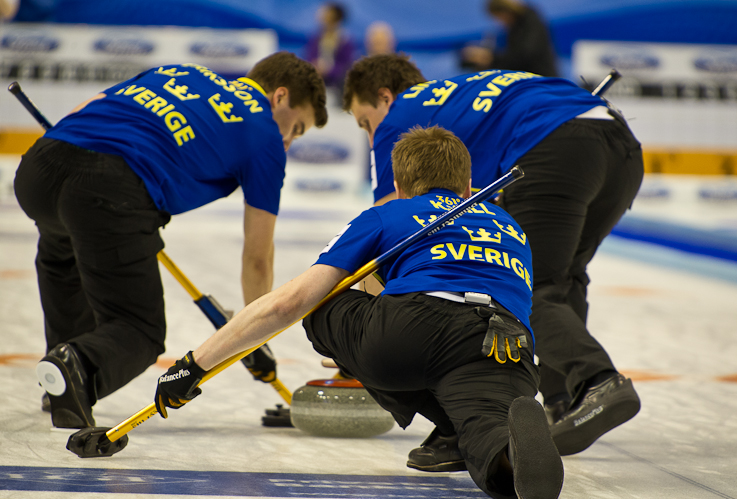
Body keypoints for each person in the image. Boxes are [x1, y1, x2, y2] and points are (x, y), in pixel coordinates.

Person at [154, 126, 564, 499]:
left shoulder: (391, 214)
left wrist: (195, 365)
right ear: (469, 184)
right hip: (505, 342)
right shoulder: (509, 226)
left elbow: (290, 301)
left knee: (325, 302)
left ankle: (403, 389)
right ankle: (507, 454)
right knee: (487, 431)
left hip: (411, 331)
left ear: (400, 186)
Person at [342, 54, 643, 459]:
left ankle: (597, 382)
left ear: (383, 96)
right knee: (563, 277)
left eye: (365, 122)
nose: (369, 133)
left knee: (527, 285)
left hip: (553, 144)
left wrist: (374, 335)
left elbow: (390, 236)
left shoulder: (400, 118)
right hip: (620, 148)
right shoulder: (459, 100)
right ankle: (561, 401)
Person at [14, 52, 327, 429]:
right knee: (139, 330)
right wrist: (255, 338)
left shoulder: (178, 72)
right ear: (279, 97)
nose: (290, 140)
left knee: (64, 260)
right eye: (297, 126)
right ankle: (77, 364)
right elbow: (257, 258)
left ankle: (61, 385)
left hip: (40, 167)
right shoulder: (264, 137)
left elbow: (88, 107)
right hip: (108, 187)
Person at [461, 0, 558, 77]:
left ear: (504, 11)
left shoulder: (530, 21)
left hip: (542, 79)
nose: (500, 22)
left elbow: (524, 55)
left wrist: (489, 58)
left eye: (499, 17)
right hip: (530, 80)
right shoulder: (513, 27)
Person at [304, 2, 356, 100]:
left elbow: (346, 67)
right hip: (312, 85)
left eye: (326, 15)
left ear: (335, 18)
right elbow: (308, 58)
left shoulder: (345, 41)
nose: (322, 17)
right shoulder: (316, 38)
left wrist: (329, 70)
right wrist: (314, 67)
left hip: (336, 88)